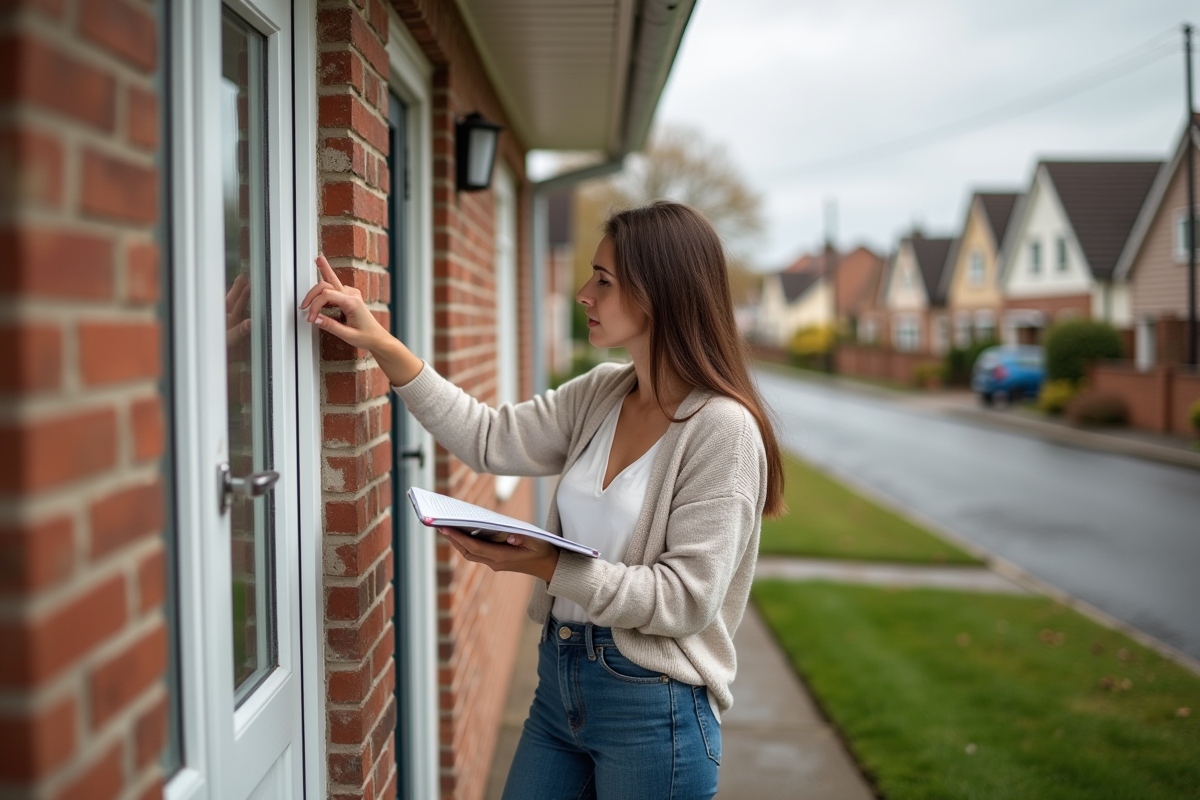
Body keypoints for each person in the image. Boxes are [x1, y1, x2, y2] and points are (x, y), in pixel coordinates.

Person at [301, 201, 785, 800]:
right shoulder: (604, 392)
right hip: (559, 684)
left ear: (658, 293)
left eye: (603, 281)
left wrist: (544, 563)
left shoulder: (723, 431)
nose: (584, 294)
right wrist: (380, 343)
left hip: (653, 706)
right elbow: (488, 437)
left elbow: (685, 599)